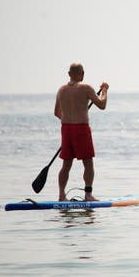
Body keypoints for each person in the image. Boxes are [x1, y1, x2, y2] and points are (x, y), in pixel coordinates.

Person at [54, 63, 109, 201]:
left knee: (66, 164)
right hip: (81, 129)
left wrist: (69, 119)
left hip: (66, 129)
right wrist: (104, 90)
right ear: (82, 74)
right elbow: (102, 105)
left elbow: (56, 113)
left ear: (69, 74)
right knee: (88, 163)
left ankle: (61, 195)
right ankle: (88, 194)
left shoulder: (61, 90)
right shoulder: (86, 88)